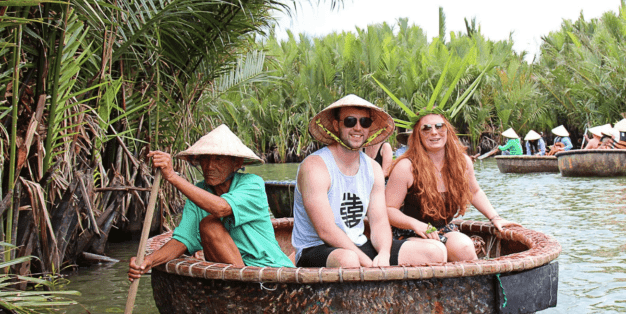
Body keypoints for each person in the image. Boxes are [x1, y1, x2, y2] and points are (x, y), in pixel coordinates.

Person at [292, 95, 446, 268]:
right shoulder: (315, 166)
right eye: (350, 121)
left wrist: (384, 254)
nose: (358, 128)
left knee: (435, 252)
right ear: (336, 126)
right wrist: (367, 263)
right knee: (349, 260)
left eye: (364, 122)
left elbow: (379, 221)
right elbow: (325, 230)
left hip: (359, 245)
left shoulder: (372, 168)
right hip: (317, 248)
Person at [128, 125, 293, 281]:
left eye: (218, 159)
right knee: (208, 226)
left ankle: (244, 285)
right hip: (234, 273)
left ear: (237, 163)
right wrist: (148, 261)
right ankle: (240, 286)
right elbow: (183, 240)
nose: (209, 166)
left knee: (209, 224)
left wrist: (172, 176)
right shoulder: (199, 192)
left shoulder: (252, 184)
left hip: (270, 269)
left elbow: (221, 208)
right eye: (205, 159)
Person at [386, 113, 520, 263]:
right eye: (426, 128)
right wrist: (416, 225)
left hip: (443, 229)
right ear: (418, 135)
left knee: (464, 247)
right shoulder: (406, 167)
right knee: (436, 250)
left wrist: (495, 217)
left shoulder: (462, 162)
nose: (434, 132)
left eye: (439, 126)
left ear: (448, 131)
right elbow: (389, 209)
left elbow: (474, 192)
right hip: (408, 232)